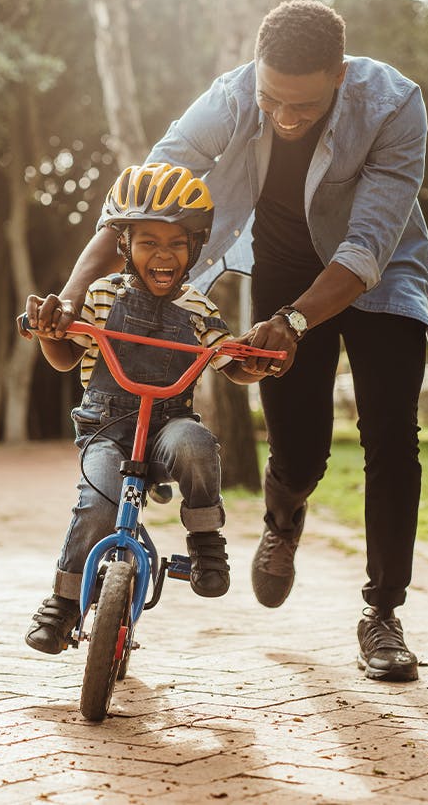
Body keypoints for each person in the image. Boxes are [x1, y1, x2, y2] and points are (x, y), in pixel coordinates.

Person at [30, 0, 428, 681]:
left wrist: (297, 323)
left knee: (392, 435)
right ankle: (284, 519)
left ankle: (383, 613)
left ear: (339, 75)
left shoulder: (395, 106)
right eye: (272, 99)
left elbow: (367, 245)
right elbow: (142, 197)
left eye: (302, 108)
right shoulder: (231, 96)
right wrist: (73, 295)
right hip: (283, 265)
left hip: (380, 272)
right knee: (301, 453)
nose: (283, 118)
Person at [20, 163, 267, 655]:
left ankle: (205, 543)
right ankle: (64, 602)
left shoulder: (198, 308)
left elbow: (229, 362)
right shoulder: (99, 295)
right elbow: (67, 355)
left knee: (196, 445)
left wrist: (255, 362)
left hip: (167, 427)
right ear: (124, 246)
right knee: (98, 502)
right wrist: (50, 333)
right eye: (148, 241)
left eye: (177, 243)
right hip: (106, 429)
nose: (163, 254)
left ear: (195, 248)